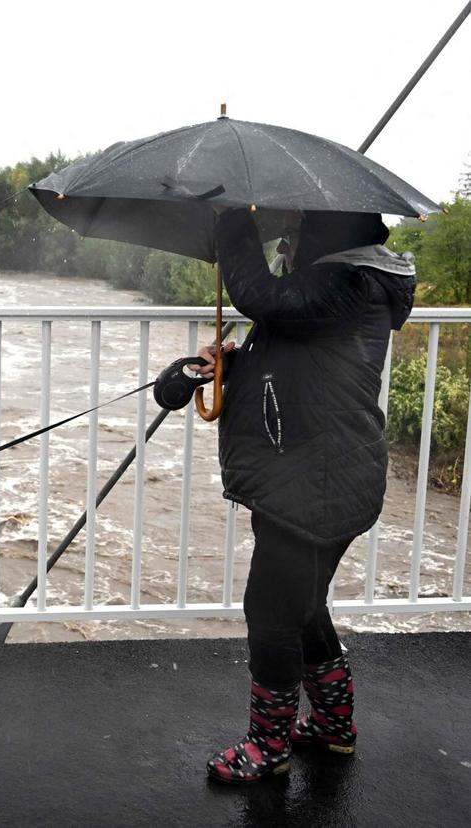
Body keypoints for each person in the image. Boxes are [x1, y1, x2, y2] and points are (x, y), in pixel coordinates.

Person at [198, 207, 416, 783]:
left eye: (295, 237)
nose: (286, 247)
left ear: (328, 238)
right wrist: (220, 367)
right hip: (303, 472)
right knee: (302, 605)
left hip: (319, 480)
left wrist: (230, 225)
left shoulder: (352, 285)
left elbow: (261, 298)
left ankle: (268, 746)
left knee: (271, 611)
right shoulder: (331, 290)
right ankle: (332, 727)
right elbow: (291, 358)